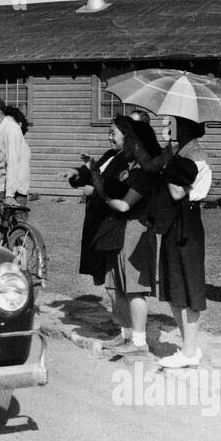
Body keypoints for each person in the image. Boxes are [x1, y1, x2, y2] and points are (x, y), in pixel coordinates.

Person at [87, 115, 164, 354]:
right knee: (118, 285)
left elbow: (124, 205)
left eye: (130, 142)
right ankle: (125, 334)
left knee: (134, 287)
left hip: (135, 231)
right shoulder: (129, 168)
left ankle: (139, 342)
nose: (126, 148)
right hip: (120, 231)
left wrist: (106, 197)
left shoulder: (145, 173)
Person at [151, 117, 212, 367]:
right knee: (174, 287)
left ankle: (189, 351)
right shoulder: (180, 152)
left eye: (175, 125)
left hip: (186, 222)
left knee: (188, 287)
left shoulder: (194, 157)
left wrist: (166, 169)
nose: (170, 129)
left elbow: (177, 192)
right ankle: (190, 347)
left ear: (187, 128)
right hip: (173, 222)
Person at [61, 121, 129, 299]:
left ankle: (122, 322)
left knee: (113, 275)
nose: (109, 137)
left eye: (113, 134)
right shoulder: (110, 154)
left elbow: (114, 189)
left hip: (110, 223)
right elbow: (94, 172)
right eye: (109, 133)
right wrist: (76, 173)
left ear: (126, 135)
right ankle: (118, 319)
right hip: (98, 221)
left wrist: (94, 193)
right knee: (107, 277)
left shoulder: (126, 160)